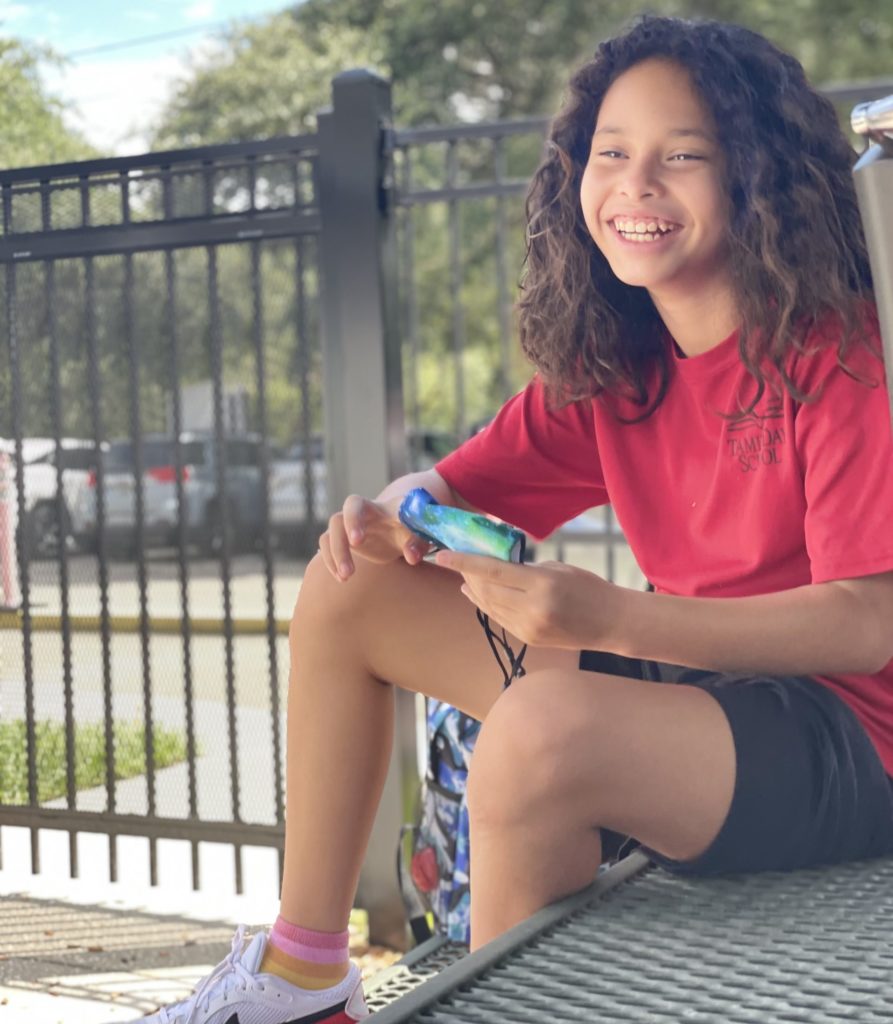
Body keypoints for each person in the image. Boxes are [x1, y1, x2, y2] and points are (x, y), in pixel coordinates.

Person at [122, 13, 893, 1024]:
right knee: (351, 581)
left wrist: (602, 617)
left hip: (847, 729)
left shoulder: (833, 353)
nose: (634, 185)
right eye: (609, 154)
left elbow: (860, 622)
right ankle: (303, 975)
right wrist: (398, 513)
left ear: (755, 179)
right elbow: (443, 490)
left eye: (682, 157)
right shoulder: (616, 371)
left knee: (538, 729)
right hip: (701, 691)